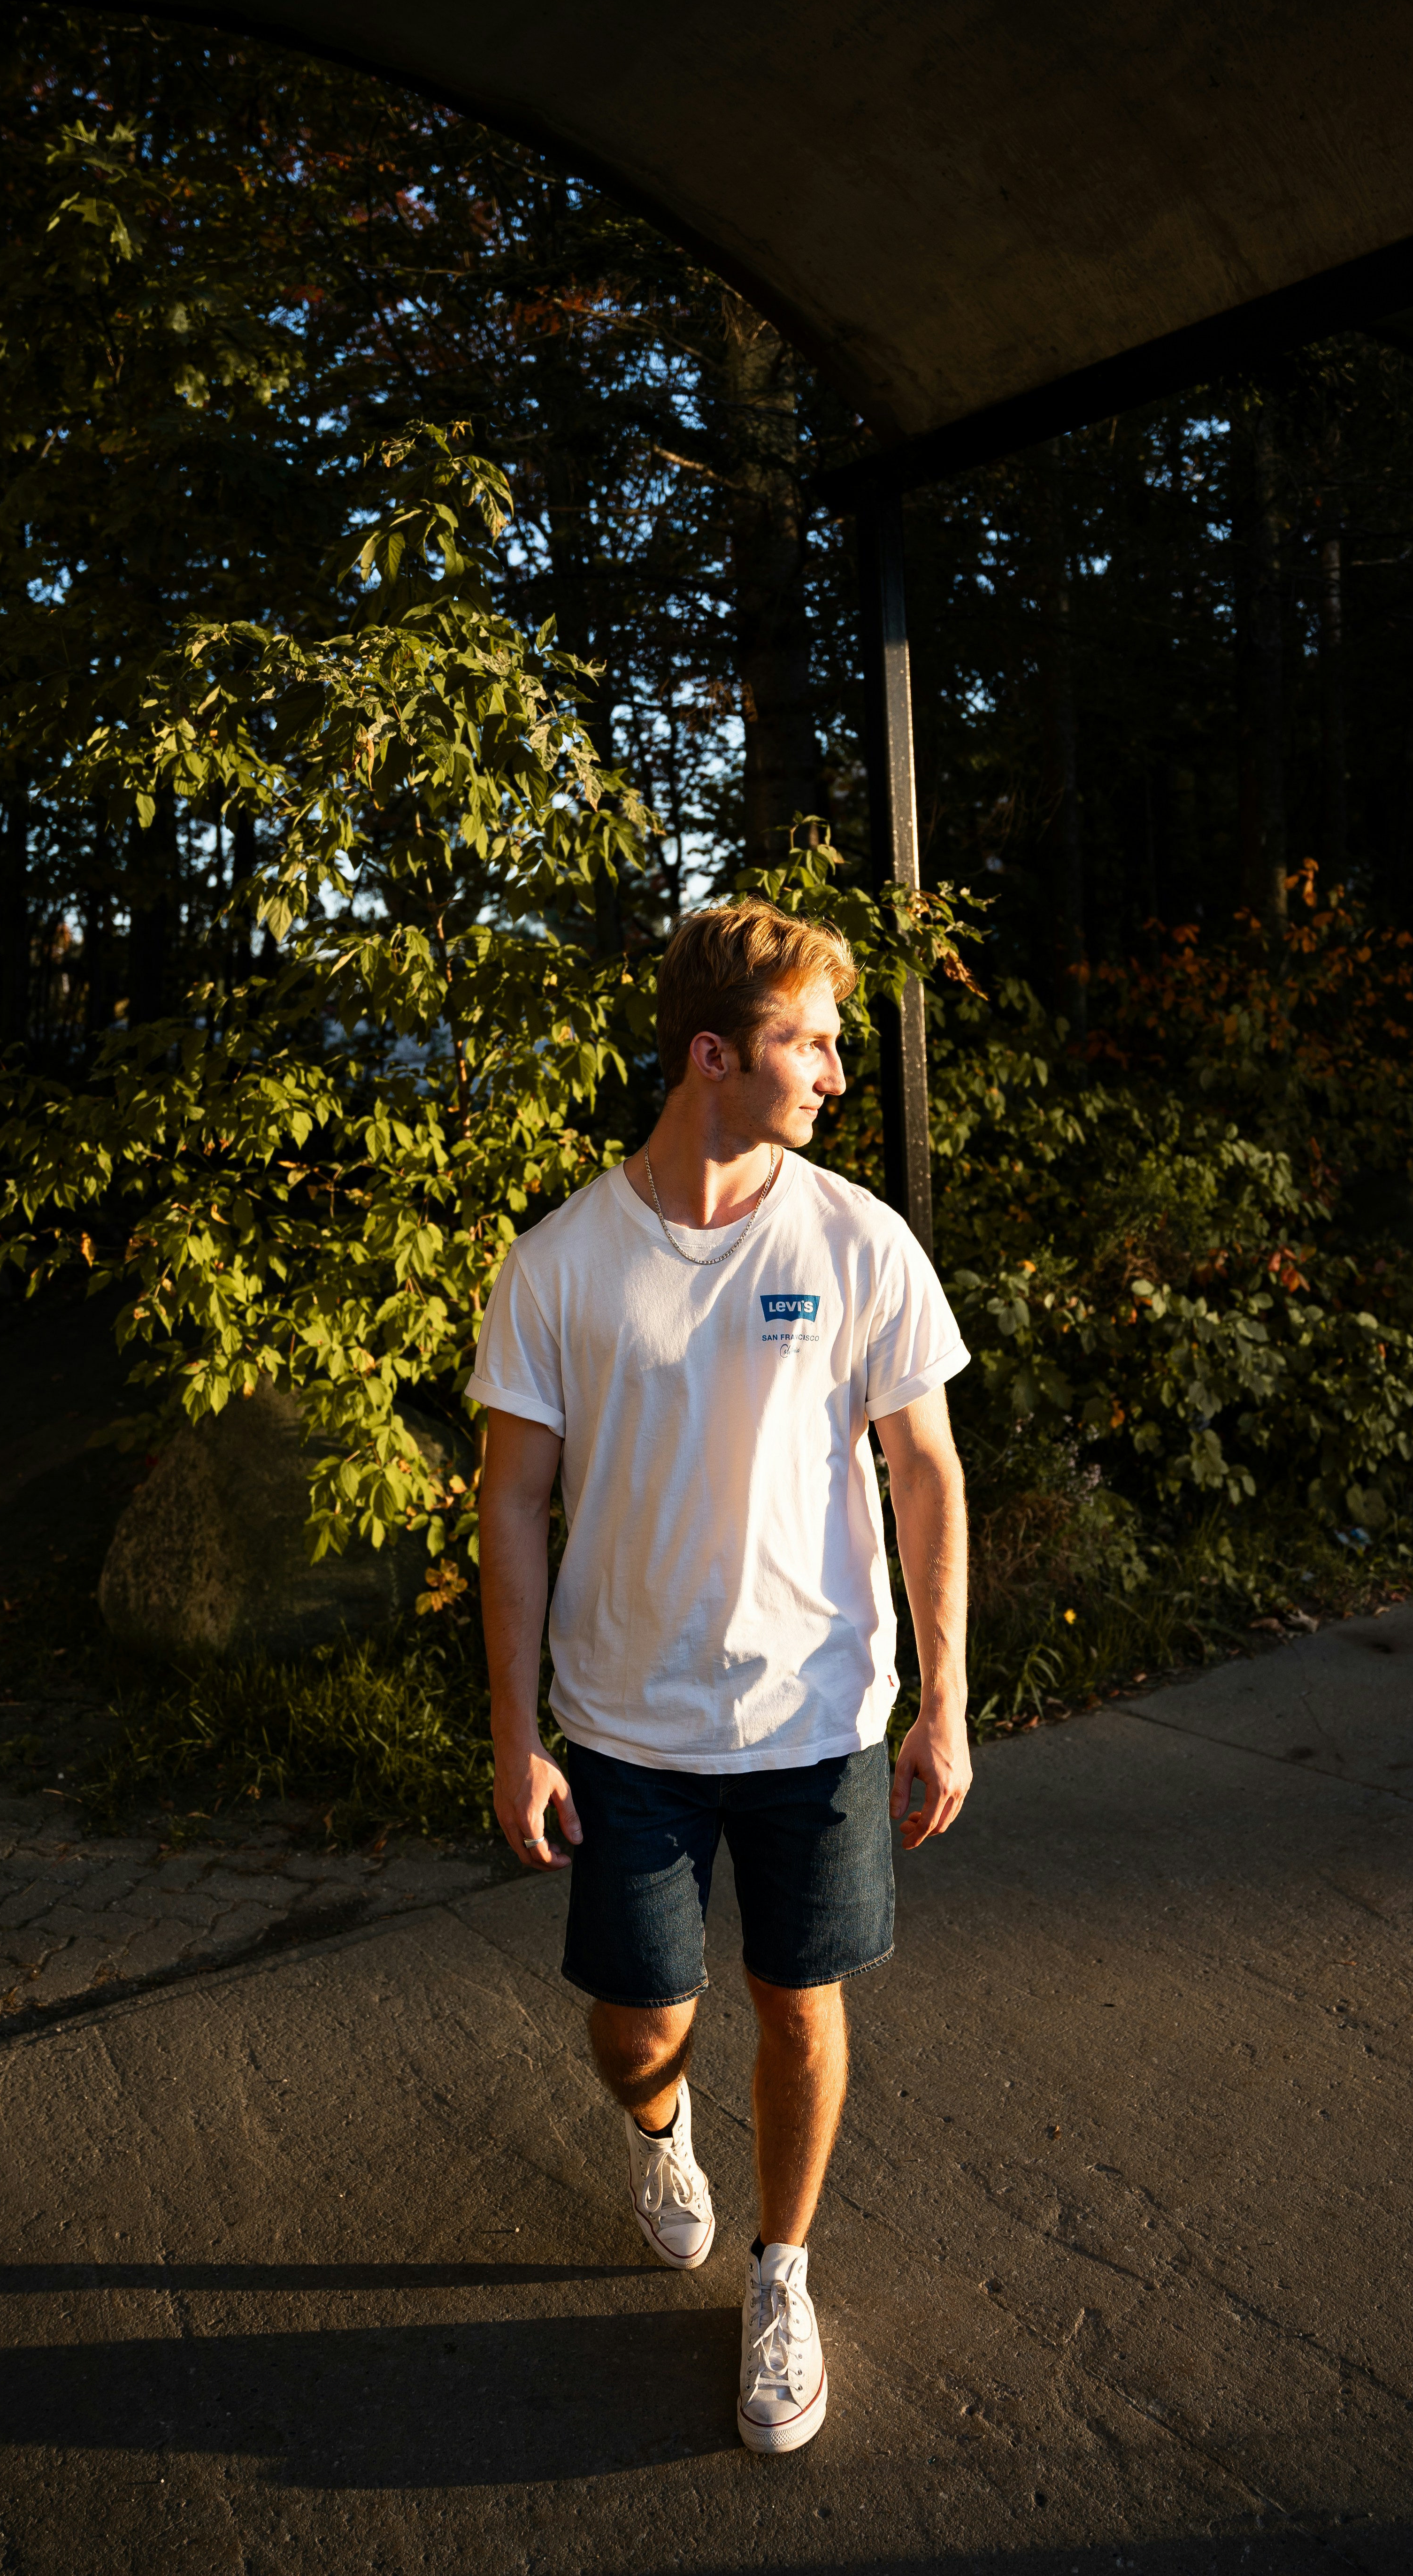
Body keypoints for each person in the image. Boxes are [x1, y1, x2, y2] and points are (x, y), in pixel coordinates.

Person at [470, 898, 971, 2455]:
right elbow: (512, 1504)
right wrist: (513, 1740)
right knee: (637, 2026)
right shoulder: (561, 1265)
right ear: (712, 1057)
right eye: (808, 1043)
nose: (833, 1073)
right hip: (623, 1730)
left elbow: (929, 1476)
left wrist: (946, 1699)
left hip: (819, 1718)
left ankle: (783, 2275)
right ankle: (662, 2129)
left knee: (800, 2005)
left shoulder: (856, 1240)